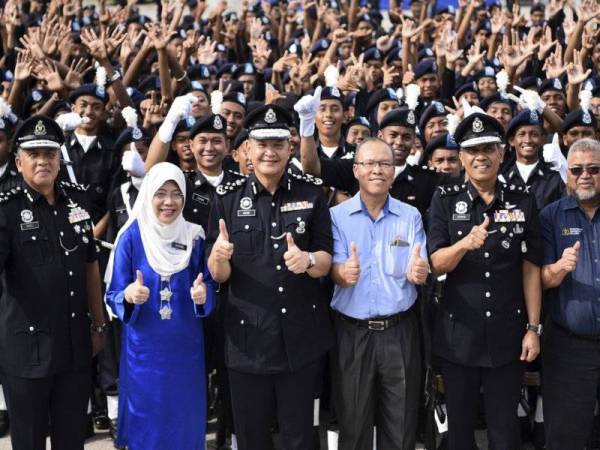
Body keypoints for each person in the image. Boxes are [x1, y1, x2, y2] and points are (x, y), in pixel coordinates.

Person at [206, 104, 334, 450]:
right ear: (247, 148)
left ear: (290, 147)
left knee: (299, 438)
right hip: (247, 342)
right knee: (251, 438)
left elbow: (325, 261)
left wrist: (306, 259)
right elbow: (218, 276)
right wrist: (218, 259)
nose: (269, 152)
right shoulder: (226, 200)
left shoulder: (311, 195)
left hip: (300, 343)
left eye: (278, 144)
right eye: (261, 144)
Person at [426, 112, 543, 450]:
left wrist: (533, 329)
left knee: (505, 430)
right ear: (461, 157)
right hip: (458, 337)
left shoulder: (523, 200)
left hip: (508, 336)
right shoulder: (444, 200)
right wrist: (464, 244)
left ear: (501, 153)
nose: (481, 157)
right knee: (460, 432)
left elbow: (531, 267)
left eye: (488, 148)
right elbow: (436, 264)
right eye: (472, 150)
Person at [0, 115, 106, 450]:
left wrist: (99, 325)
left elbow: (90, 264)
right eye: (34, 154)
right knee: (29, 441)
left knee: (72, 438)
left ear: (60, 160)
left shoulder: (77, 200)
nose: (43, 160)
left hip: (74, 346)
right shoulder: (6, 208)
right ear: (19, 162)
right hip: (26, 350)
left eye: (50, 153)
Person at [105, 162, 215, 450]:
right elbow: (114, 292)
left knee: (184, 420)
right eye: (161, 193)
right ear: (149, 195)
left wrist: (204, 295)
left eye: (177, 194)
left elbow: (209, 283)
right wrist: (129, 295)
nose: (169, 202)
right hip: (144, 352)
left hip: (186, 351)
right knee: (147, 421)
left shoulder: (195, 236)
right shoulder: (131, 236)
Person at [329, 137, 428, 449]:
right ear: (356, 170)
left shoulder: (410, 216)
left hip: (399, 333)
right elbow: (331, 267)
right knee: (354, 426)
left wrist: (419, 273)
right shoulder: (337, 216)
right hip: (352, 334)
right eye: (370, 164)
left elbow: (419, 265)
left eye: (385, 164)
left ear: (394, 171)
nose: (378, 170)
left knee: (400, 428)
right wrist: (341, 273)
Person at [539, 138, 600, 450]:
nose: (585, 175)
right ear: (567, 175)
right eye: (577, 170)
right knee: (565, 437)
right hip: (568, 347)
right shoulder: (551, 215)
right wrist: (560, 268)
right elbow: (539, 280)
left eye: (594, 169)